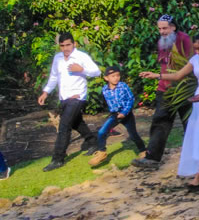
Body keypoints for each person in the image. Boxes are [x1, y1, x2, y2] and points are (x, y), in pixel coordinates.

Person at [140, 31, 199, 190]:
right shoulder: (195, 60)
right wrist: (156, 75)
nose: (198, 52)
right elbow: (177, 76)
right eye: (196, 49)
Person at [132, 14, 193, 169]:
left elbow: (191, 63)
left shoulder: (184, 39)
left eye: (165, 28)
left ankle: (196, 157)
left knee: (190, 123)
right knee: (160, 122)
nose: (162, 32)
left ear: (173, 27)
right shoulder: (162, 42)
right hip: (164, 88)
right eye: (159, 29)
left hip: (183, 89)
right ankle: (152, 158)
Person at [37, 32, 100, 172]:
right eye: (62, 45)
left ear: (74, 44)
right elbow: (54, 77)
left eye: (68, 45)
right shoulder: (58, 58)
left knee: (64, 126)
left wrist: (82, 69)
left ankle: (58, 159)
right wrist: (45, 92)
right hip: (64, 97)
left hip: (77, 97)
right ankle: (93, 143)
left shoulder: (81, 56)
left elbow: (96, 72)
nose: (65, 48)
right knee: (77, 123)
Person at [88, 66, 147, 167]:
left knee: (133, 135)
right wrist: (115, 112)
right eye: (113, 76)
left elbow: (131, 99)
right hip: (114, 115)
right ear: (106, 78)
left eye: (118, 75)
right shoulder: (105, 89)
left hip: (126, 115)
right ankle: (102, 153)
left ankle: (143, 151)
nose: (116, 78)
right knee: (101, 132)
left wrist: (124, 112)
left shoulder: (123, 86)